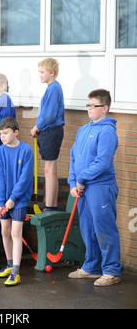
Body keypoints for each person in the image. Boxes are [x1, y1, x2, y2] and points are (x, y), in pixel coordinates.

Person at [67, 89, 121, 286]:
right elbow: (73, 157)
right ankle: (92, 267)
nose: (89, 109)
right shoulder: (83, 130)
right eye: (88, 105)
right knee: (88, 228)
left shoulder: (107, 131)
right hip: (83, 188)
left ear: (105, 108)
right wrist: (73, 183)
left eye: (94, 105)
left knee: (104, 228)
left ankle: (112, 270)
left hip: (101, 186)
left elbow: (103, 162)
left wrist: (81, 178)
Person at [0, 117, 34, 286]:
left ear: (16, 132)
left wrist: (13, 199)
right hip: (4, 201)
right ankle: (9, 264)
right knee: (5, 231)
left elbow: (24, 179)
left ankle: (16, 271)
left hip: (19, 200)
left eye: (6, 133)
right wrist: (1, 201)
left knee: (16, 233)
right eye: (0, 134)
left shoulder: (26, 151)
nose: (2, 137)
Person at [30, 58, 64, 211]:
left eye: (42, 72)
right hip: (51, 132)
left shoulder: (53, 88)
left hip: (50, 131)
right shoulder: (53, 88)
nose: (40, 75)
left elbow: (48, 115)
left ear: (52, 72)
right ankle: (52, 205)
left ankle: (50, 206)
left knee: (49, 170)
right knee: (51, 169)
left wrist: (36, 127)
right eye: (39, 72)